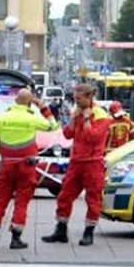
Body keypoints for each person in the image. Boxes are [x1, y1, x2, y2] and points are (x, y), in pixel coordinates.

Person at [0, 89, 59, 250]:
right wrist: (44, 108)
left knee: (0, 201)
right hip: (27, 166)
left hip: (7, 165)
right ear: (30, 103)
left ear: (15, 101)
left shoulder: (2, 118)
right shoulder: (32, 118)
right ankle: (16, 238)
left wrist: (3, 149)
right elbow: (53, 126)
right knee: (21, 202)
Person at [42, 83, 112, 246]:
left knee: (93, 199)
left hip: (93, 163)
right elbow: (67, 135)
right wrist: (73, 119)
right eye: (75, 99)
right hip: (76, 162)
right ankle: (61, 229)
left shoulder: (101, 115)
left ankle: (89, 232)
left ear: (89, 97)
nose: (76, 102)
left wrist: (87, 119)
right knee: (65, 196)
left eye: (79, 99)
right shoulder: (77, 112)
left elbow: (92, 137)